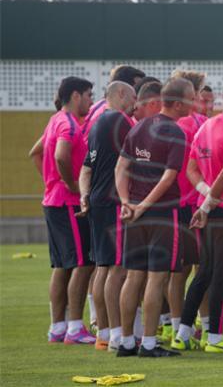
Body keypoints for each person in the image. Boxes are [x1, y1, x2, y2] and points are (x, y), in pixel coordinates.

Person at [170, 78, 223, 353]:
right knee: (221, 276)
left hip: (208, 207)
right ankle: (215, 338)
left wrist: (204, 194)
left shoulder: (206, 126)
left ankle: (182, 333)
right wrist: (210, 201)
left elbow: (191, 167)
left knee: (204, 273)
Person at [114, 78, 193, 357]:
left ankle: (125, 342)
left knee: (133, 276)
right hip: (160, 214)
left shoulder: (140, 126)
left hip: (134, 211)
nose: (194, 104)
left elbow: (121, 166)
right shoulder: (176, 132)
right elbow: (169, 176)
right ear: (179, 103)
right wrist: (144, 205)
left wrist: (127, 202)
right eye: (191, 99)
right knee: (156, 279)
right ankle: (147, 343)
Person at [35, 77, 95, 344]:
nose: (91, 101)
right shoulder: (69, 124)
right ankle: (74, 328)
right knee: (82, 264)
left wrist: (51, 182)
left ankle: (57, 327)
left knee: (62, 265)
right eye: (88, 95)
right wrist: (70, 185)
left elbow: (34, 153)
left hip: (53, 201)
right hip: (68, 203)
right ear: (75, 95)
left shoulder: (55, 119)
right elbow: (60, 155)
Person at [78, 81, 137, 351]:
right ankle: (116, 334)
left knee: (102, 267)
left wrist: (84, 196)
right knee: (117, 268)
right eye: (134, 97)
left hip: (97, 201)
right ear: (122, 94)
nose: (135, 103)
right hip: (114, 202)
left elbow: (86, 169)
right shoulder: (122, 121)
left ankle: (103, 331)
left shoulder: (96, 124)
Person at [161, 70, 208, 343]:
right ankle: (201, 327)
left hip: (173, 203)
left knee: (177, 271)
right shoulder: (197, 123)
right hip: (193, 203)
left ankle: (177, 325)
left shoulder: (166, 124)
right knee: (201, 268)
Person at [81, 66, 145, 143]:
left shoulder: (100, 107)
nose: (138, 97)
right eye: (137, 89)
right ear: (122, 91)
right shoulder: (112, 115)